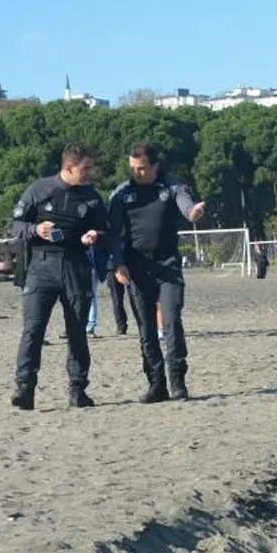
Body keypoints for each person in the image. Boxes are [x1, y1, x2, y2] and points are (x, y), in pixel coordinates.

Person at [9, 142, 108, 410]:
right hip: (41, 267)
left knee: (77, 331)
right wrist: (34, 229)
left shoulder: (92, 197)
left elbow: (105, 230)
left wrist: (94, 235)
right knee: (33, 329)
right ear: (68, 167)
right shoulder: (39, 190)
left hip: (76, 267)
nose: (89, 174)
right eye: (85, 169)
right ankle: (25, 389)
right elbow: (15, 225)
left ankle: (78, 390)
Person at [108, 143, 206, 403]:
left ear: (154, 166)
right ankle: (156, 383)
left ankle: (177, 381)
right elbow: (113, 233)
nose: (136, 173)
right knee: (146, 329)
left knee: (172, 320)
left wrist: (192, 212)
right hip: (136, 268)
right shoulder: (121, 193)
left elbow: (187, 205)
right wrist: (118, 264)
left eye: (141, 168)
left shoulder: (172, 187)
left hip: (168, 266)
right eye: (132, 168)